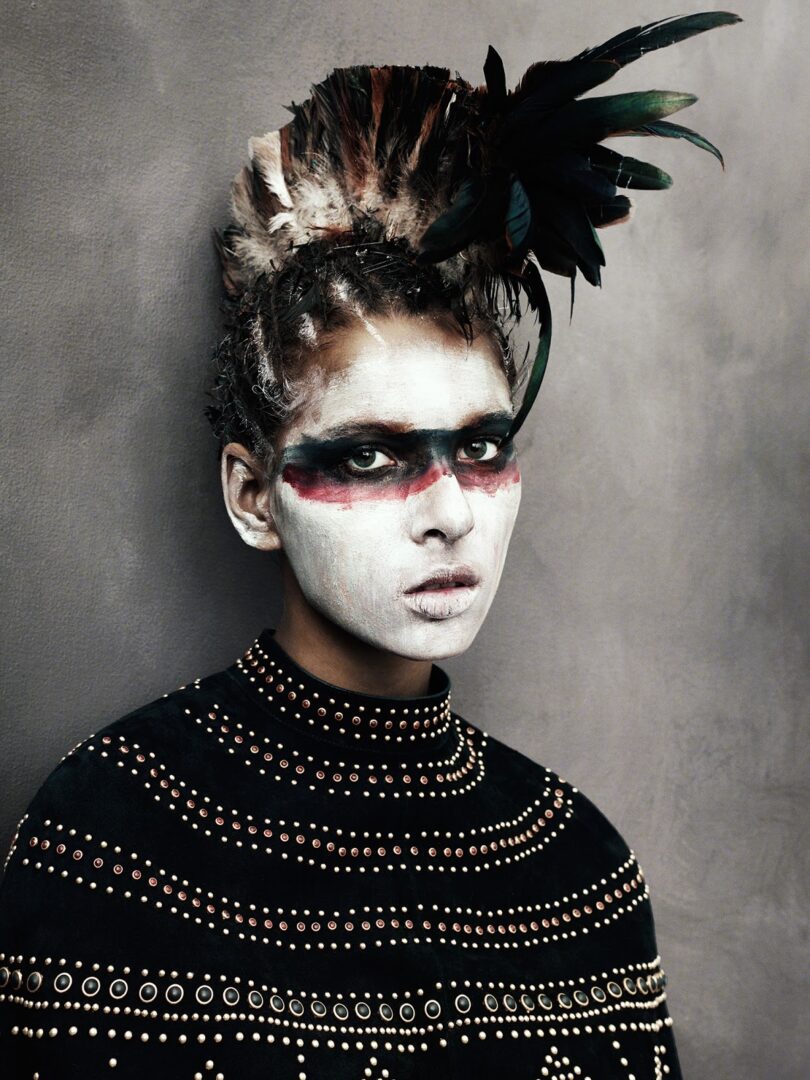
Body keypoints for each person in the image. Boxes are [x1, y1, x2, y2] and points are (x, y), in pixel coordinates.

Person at [0, 12, 739, 1078]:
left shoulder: (583, 870)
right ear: (255, 496)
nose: (451, 508)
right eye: (369, 457)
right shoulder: (108, 840)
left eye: (482, 444)